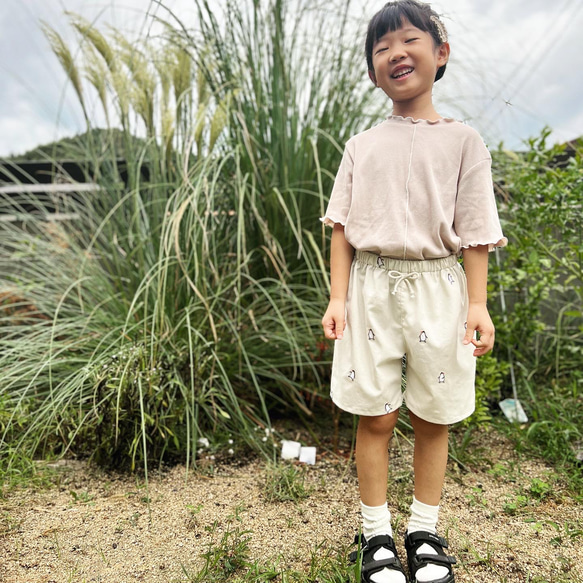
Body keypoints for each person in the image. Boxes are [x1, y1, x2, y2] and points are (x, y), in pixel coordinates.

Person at [320, 2, 507, 582]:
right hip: (370, 290)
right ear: (373, 70)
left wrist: (477, 304)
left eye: (408, 40)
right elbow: (342, 229)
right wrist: (336, 296)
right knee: (375, 415)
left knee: (434, 417)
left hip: (439, 290)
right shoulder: (361, 144)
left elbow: (475, 231)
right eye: (381, 48)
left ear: (439, 53)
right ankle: (375, 533)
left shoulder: (464, 142)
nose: (396, 53)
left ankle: (424, 529)